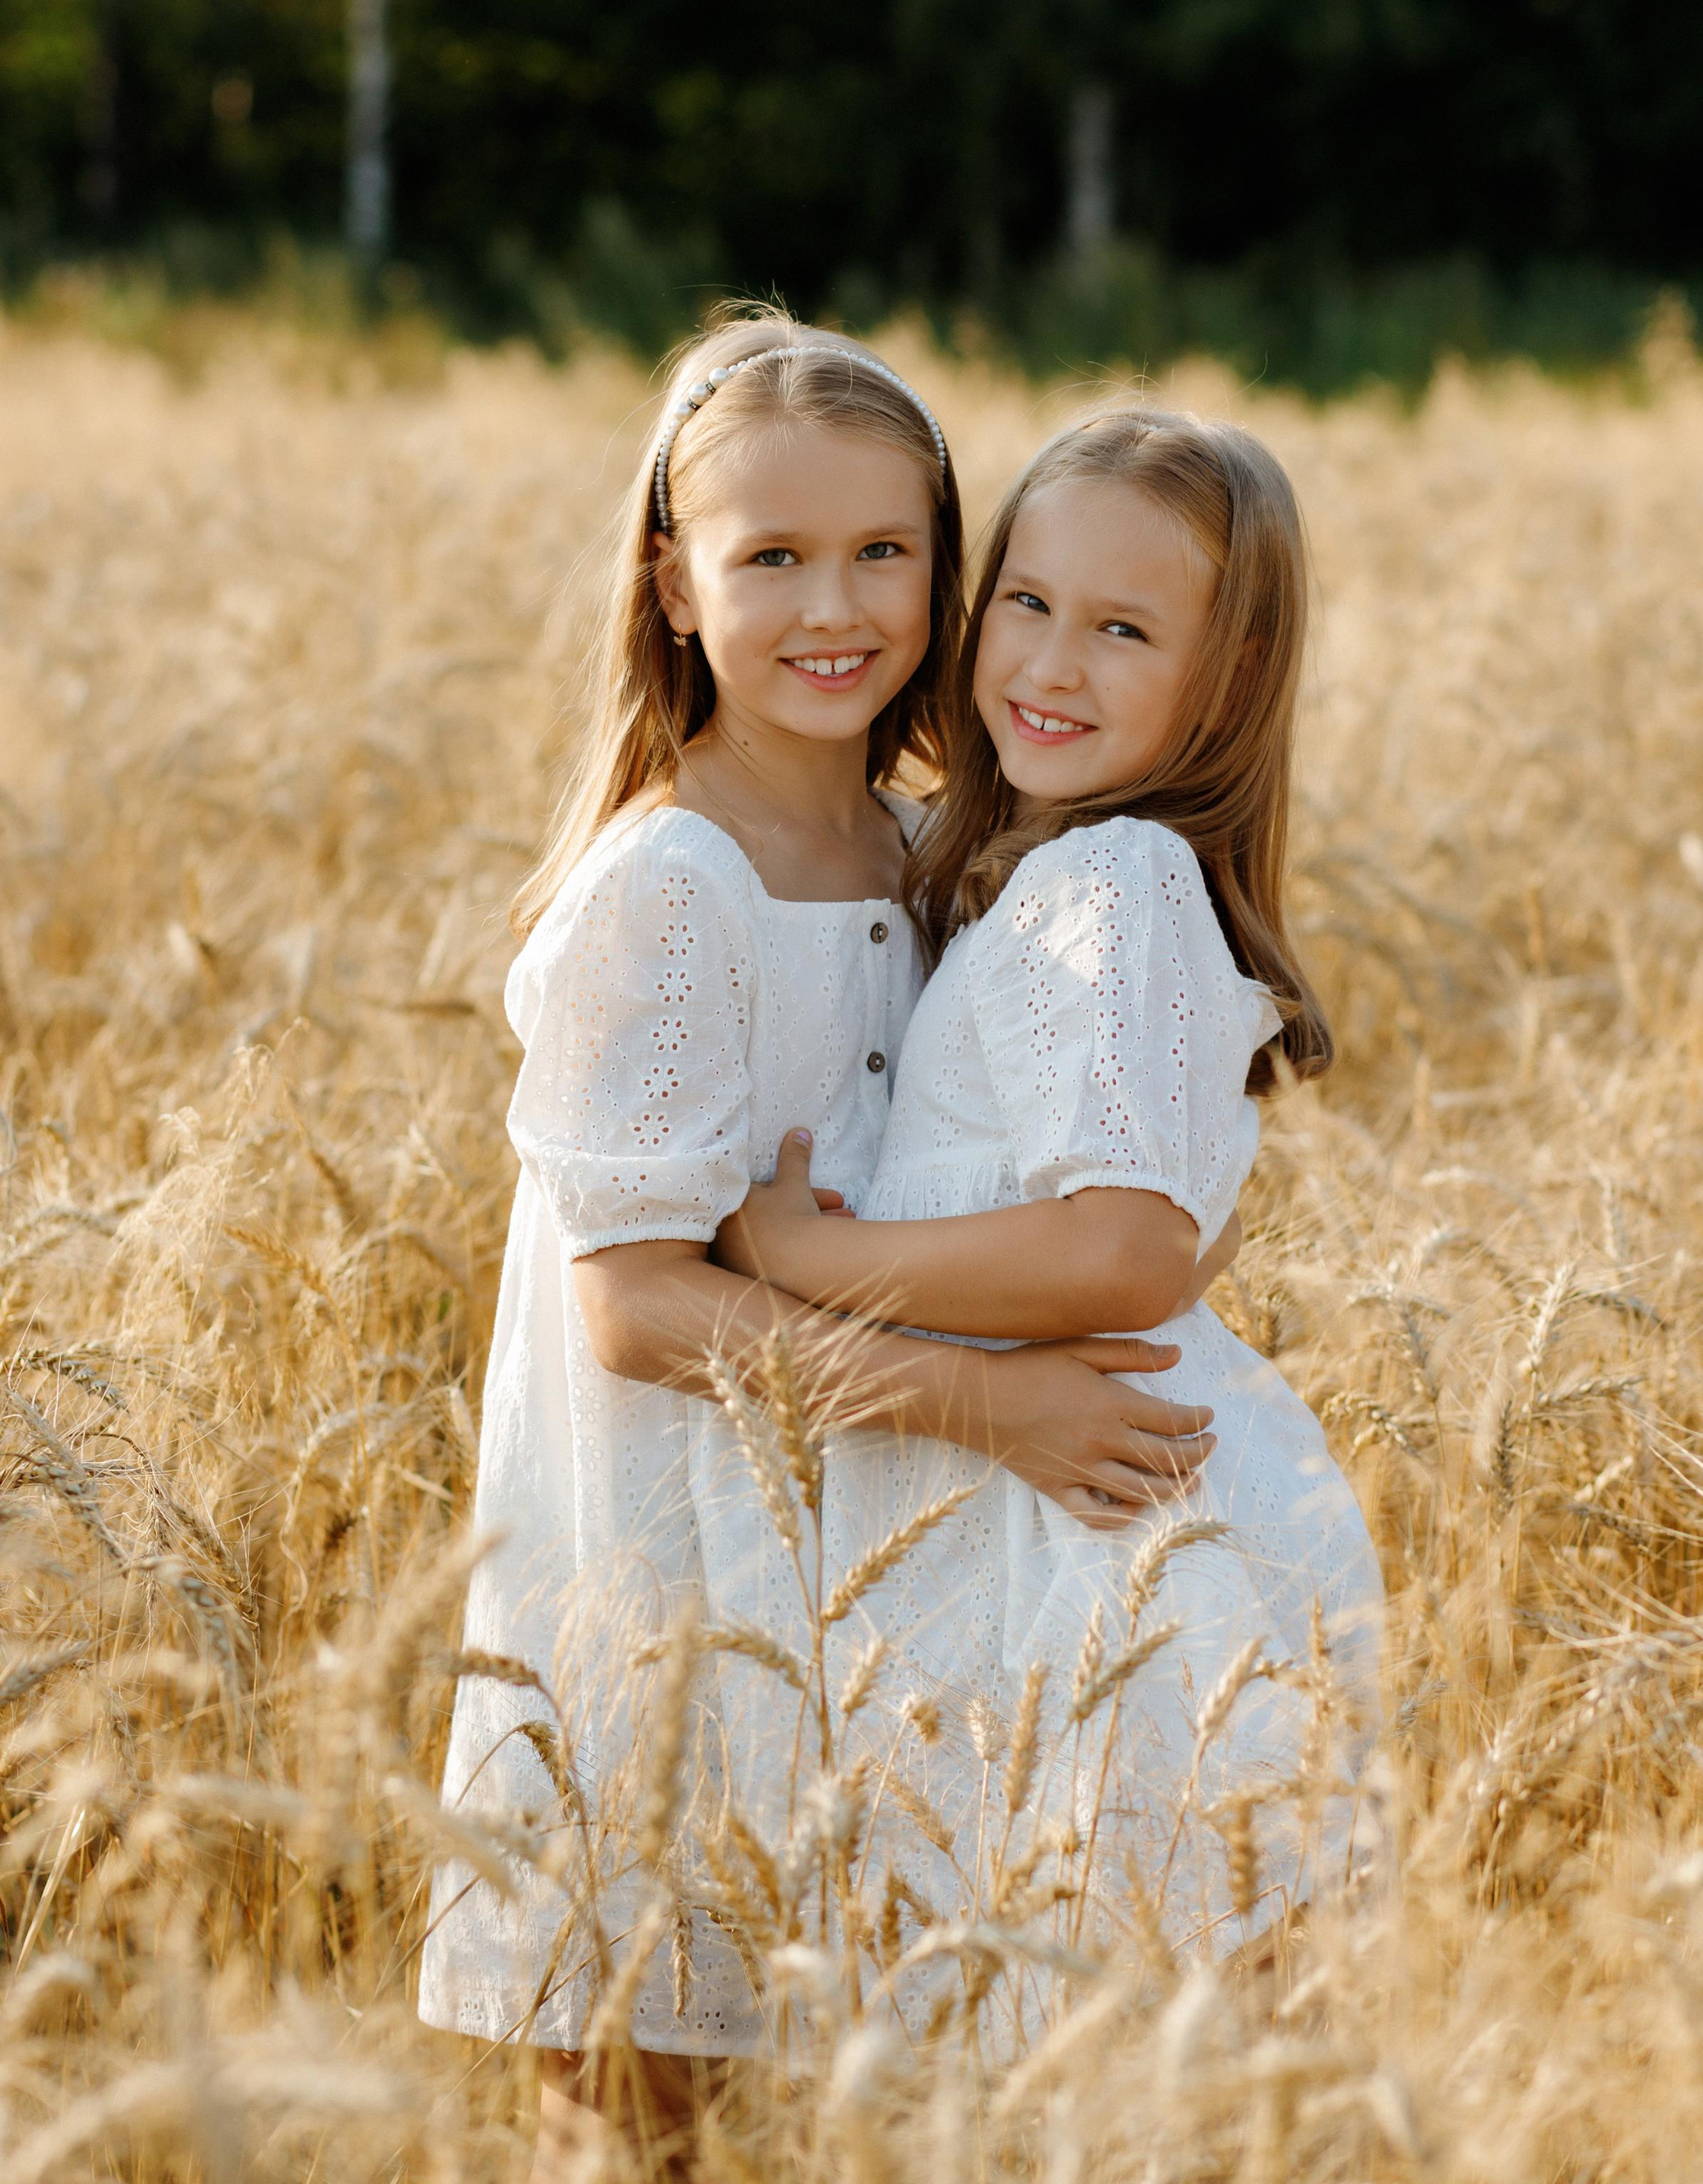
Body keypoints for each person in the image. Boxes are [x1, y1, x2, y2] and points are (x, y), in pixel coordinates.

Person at [417, 321, 1221, 2177]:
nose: (831, 605)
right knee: (645, 2091)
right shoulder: (669, 883)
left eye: (883, 552)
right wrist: (989, 1404)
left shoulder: (936, 854)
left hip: (869, 1549)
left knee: (875, 2072)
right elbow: (629, 1305)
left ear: (947, 571)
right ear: (671, 583)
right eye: (768, 556)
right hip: (663, 1558)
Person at [719, 406, 1385, 2027]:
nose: (1050, 664)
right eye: (1024, 602)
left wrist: (813, 1257)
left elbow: (1123, 1246)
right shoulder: (1049, 876)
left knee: (1080, 2013)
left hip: (1107, 1547)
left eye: (1121, 629)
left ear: (1222, 682)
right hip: (1071, 1509)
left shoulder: (1119, 887)